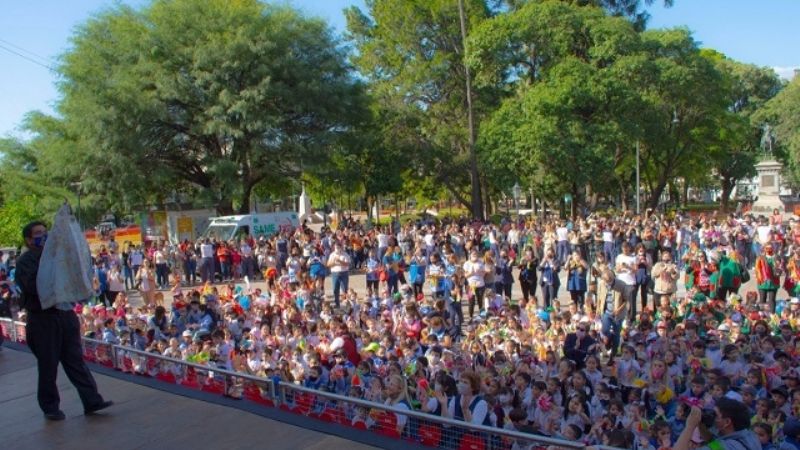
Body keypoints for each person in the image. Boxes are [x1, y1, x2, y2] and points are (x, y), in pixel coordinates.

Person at [16, 221, 113, 420]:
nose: (44, 236)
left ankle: (92, 400)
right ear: (28, 239)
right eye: (38, 233)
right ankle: (50, 407)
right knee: (48, 365)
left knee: (75, 360)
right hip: (43, 318)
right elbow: (34, 286)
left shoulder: (58, 255)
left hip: (65, 313)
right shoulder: (26, 261)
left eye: (45, 232)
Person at [673, 398, 761, 450]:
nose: (713, 417)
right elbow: (714, 443)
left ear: (727, 422)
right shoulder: (750, 436)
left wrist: (690, 426)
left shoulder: (726, 446)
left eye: (715, 414)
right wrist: (701, 423)